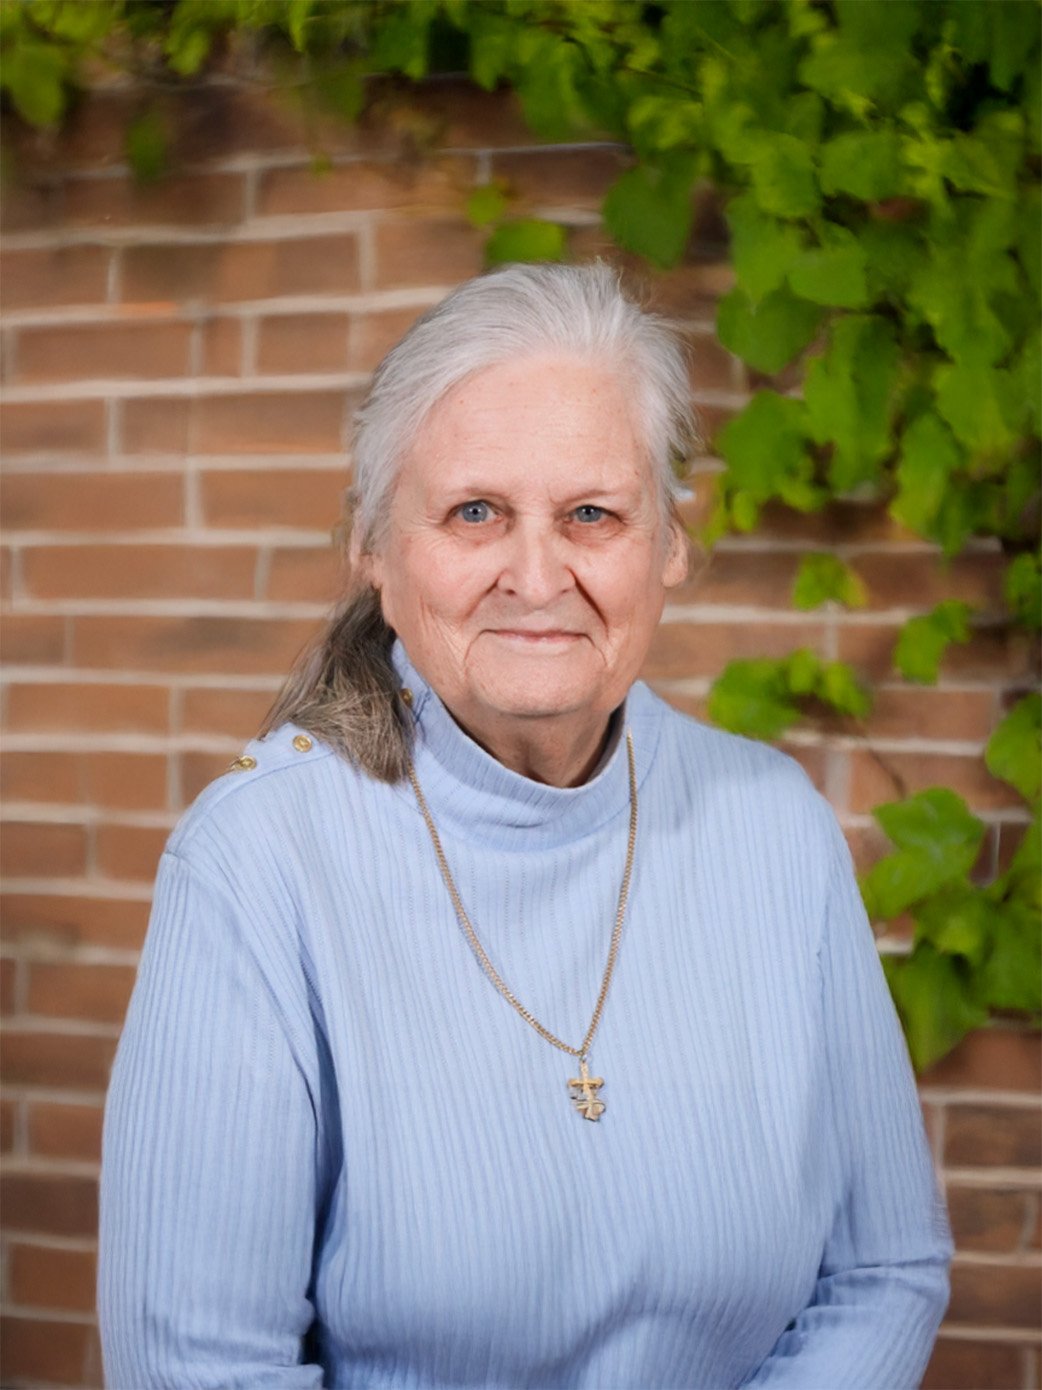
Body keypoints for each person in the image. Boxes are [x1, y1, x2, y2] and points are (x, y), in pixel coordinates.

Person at [98, 262, 952, 1388]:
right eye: (475, 512)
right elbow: (199, 1365)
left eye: (591, 513)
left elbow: (884, 1269)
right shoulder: (258, 864)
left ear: (668, 547)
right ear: (374, 548)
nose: (536, 575)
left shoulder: (776, 831)